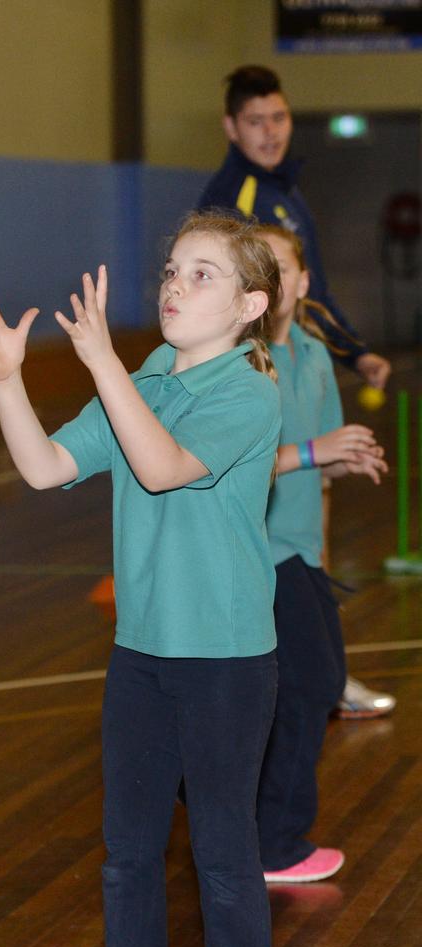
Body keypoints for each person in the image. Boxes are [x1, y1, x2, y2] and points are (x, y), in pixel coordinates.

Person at [0, 211, 282, 947]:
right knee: (128, 853)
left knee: (224, 858)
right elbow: (44, 466)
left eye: (202, 273)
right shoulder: (149, 379)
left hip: (226, 660)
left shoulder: (249, 391)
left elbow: (164, 469)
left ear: (249, 306)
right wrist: (5, 378)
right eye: (172, 269)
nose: (176, 284)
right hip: (141, 653)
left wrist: (104, 368)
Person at [199, 64, 395, 720]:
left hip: (300, 352)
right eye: (255, 121)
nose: (270, 131)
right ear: (231, 127)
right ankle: (276, 671)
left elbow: (315, 289)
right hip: (256, 364)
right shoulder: (236, 197)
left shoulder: (288, 192)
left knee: (315, 493)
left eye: (278, 118)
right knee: (262, 507)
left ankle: (319, 662)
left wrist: (355, 351)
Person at [256, 224, 388, 883]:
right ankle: (274, 843)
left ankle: (225, 807)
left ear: (305, 282)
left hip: (301, 554)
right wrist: (318, 453)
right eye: (259, 267)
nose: (271, 279)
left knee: (308, 684)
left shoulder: (310, 353)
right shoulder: (243, 361)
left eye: (281, 268)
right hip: (255, 553)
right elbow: (234, 465)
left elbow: (321, 462)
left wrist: (345, 459)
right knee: (310, 684)